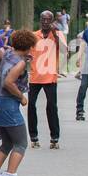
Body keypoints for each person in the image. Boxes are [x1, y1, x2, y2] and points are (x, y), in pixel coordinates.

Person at [0, 29, 37, 176]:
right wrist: (21, 97)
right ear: (28, 46)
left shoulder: (7, 53)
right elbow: (8, 82)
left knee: (7, 143)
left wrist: (25, 58)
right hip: (9, 104)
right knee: (21, 143)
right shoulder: (20, 63)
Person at [28, 11, 64, 148]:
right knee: (31, 105)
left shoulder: (56, 35)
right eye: (43, 19)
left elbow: (64, 50)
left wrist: (55, 34)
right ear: (40, 20)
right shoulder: (34, 35)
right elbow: (27, 52)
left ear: (52, 21)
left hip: (50, 76)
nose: (45, 22)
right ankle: (33, 136)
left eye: (48, 19)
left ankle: (54, 138)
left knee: (51, 107)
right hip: (35, 76)